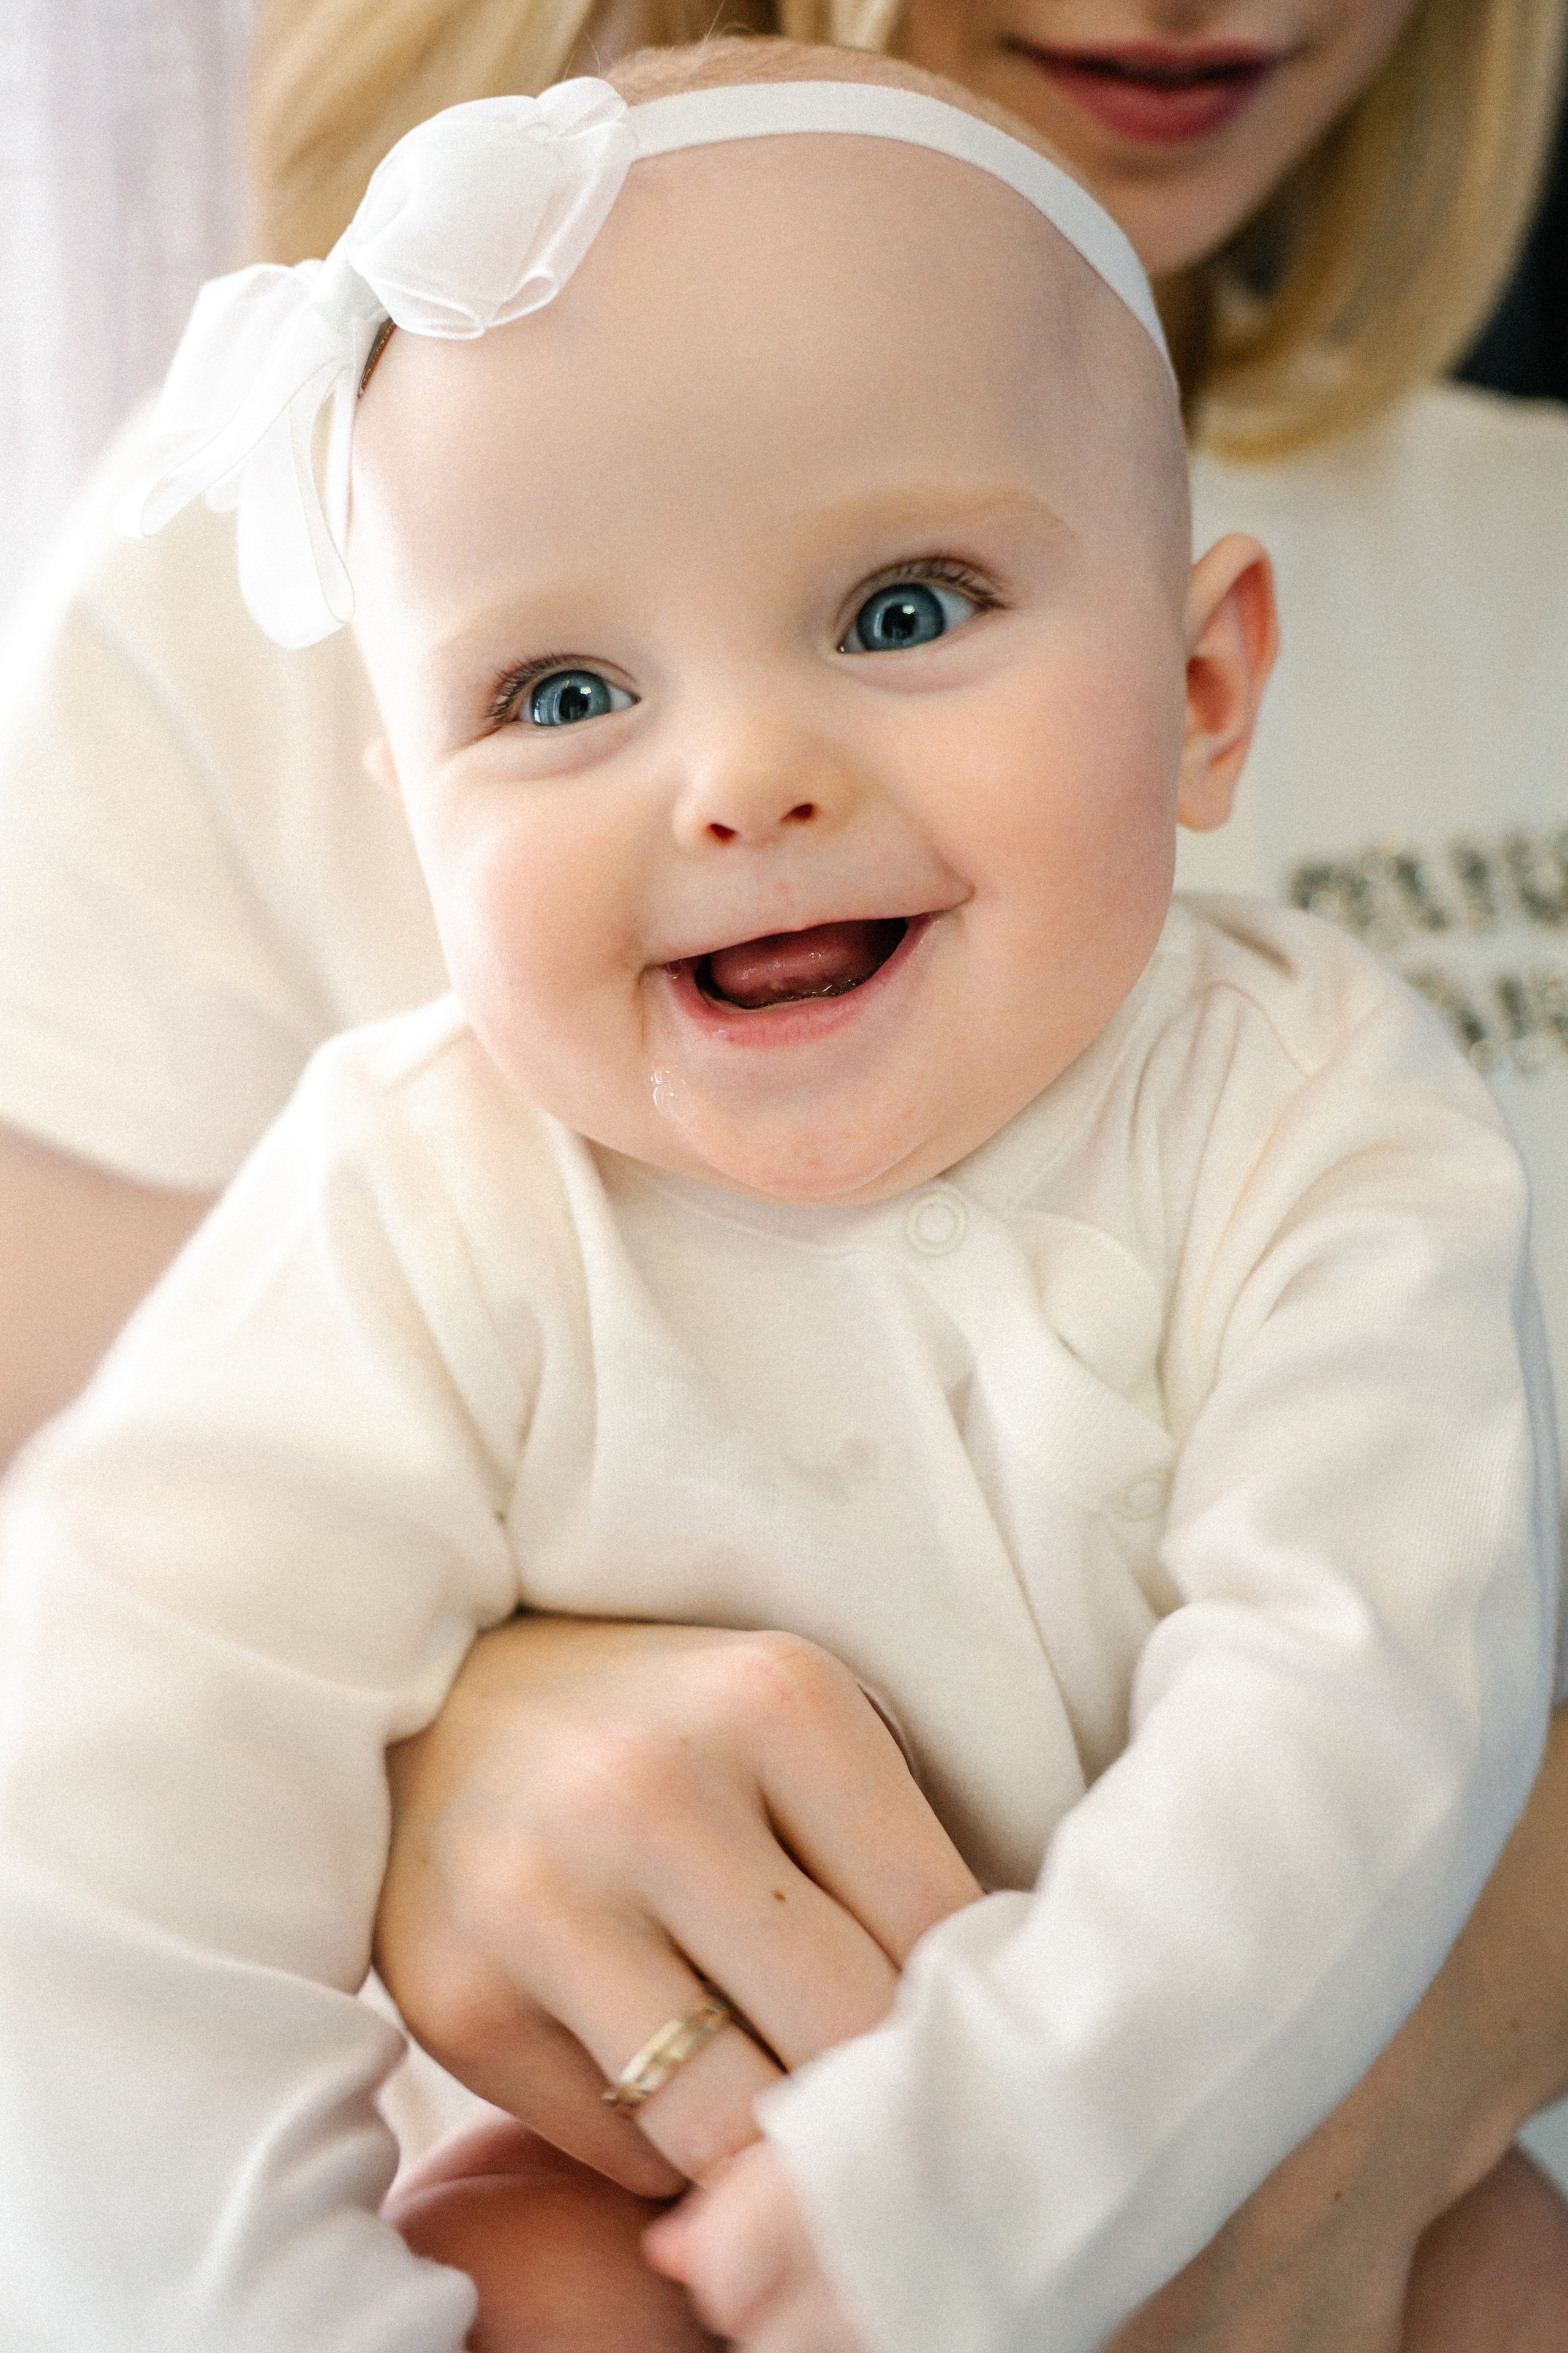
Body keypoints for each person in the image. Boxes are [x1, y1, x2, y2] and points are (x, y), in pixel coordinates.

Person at [4, 0, 1568, 2346]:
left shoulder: (1315, 1118)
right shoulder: (418, 1204)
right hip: (630, 2204)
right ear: (406, 809)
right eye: (558, 697)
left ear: (1207, 686)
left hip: (1275, 2157)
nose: (738, 778)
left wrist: (989, 2175)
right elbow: (104, 1783)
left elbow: (1351, 1687)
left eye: (903, 613)